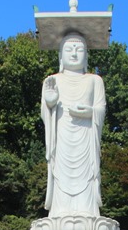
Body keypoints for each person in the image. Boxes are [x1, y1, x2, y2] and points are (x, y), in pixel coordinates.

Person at [41, 34, 106, 218]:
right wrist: (50, 103)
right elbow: (45, 114)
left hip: (86, 137)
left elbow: (101, 108)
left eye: (80, 50)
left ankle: (86, 209)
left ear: (86, 56)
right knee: (61, 172)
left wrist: (91, 112)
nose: (74, 54)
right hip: (62, 138)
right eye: (69, 50)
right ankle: (60, 210)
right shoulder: (52, 80)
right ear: (60, 56)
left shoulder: (95, 80)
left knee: (86, 173)